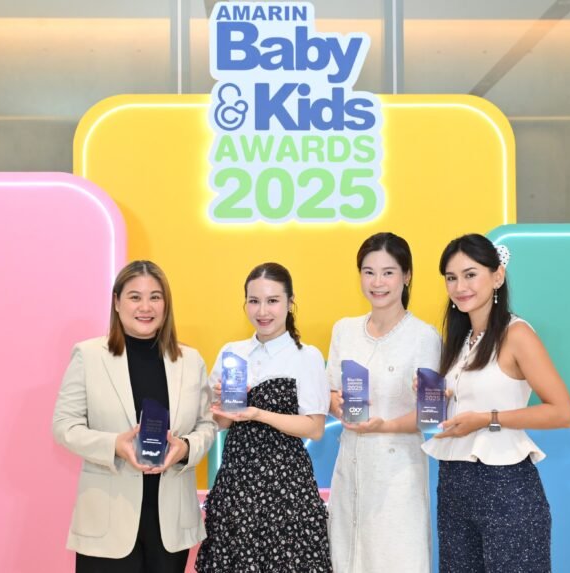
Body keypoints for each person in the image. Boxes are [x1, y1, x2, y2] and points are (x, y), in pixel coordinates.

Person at [421, 234, 570, 573]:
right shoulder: (459, 340)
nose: (460, 286)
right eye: (451, 277)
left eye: (470, 274)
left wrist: (487, 419)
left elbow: (563, 412)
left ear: (497, 276)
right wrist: (435, 396)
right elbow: (457, 411)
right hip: (453, 484)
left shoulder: (517, 334)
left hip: (505, 485)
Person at [52, 260, 216, 573]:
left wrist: (185, 448)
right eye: (134, 297)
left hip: (170, 524)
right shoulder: (89, 356)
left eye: (155, 297)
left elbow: (206, 425)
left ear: (166, 304)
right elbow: (64, 426)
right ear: (117, 302)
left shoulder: (190, 360)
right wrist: (115, 445)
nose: (145, 307)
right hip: (107, 521)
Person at [195, 262, 332, 572]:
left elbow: (315, 428)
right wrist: (221, 407)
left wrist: (258, 413)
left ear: (290, 302)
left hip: (287, 486)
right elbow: (219, 424)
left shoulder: (306, 356)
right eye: (254, 301)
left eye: (272, 301)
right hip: (236, 483)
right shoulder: (232, 352)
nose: (262, 311)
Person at [327, 232, 441, 573]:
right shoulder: (344, 330)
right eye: (369, 272)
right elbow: (331, 391)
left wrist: (384, 425)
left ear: (406, 276)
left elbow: (430, 414)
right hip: (350, 468)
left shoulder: (424, 337)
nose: (377, 282)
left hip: (398, 474)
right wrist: (337, 405)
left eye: (388, 272)